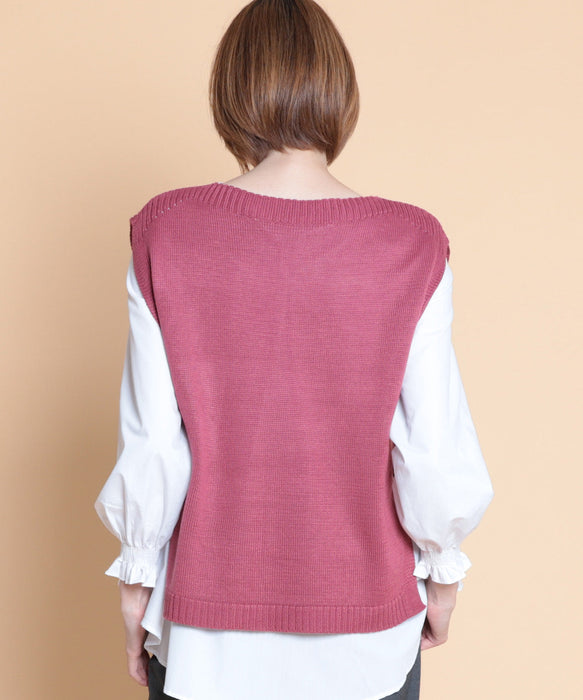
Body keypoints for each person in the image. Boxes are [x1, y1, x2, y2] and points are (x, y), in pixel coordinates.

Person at [94, 1, 494, 699]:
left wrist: (135, 583)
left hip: (206, 640)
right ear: (339, 91)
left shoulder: (167, 232)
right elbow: (431, 446)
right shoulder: (411, 244)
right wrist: (443, 574)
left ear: (231, 92)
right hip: (367, 637)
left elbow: (154, 442)